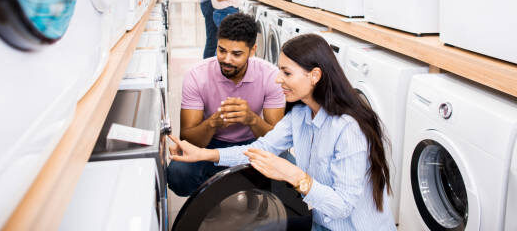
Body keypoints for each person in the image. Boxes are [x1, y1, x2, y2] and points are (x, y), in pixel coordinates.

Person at [169, 33, 397, 230]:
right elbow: (262, 148)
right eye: (280, 71)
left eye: (287, 73)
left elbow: (341, 208)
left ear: (315, 76)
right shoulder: (300, 114)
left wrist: (294, 175)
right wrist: (204, 154)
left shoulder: (348, 129)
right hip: (317, 221)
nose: (278, 79)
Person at [166, 13, 286, 197]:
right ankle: (210, 197)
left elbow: (276, 139)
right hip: (210, 143)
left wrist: (251, 119)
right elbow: (188, 138)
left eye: (236, 54)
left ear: (252, 50)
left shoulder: (270, 76)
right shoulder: (197, 75)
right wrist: (213, 122)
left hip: (254, 143)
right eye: (222, 50)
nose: (227, 59)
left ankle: (251, 194)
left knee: (286, 170)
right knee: (178, 174)